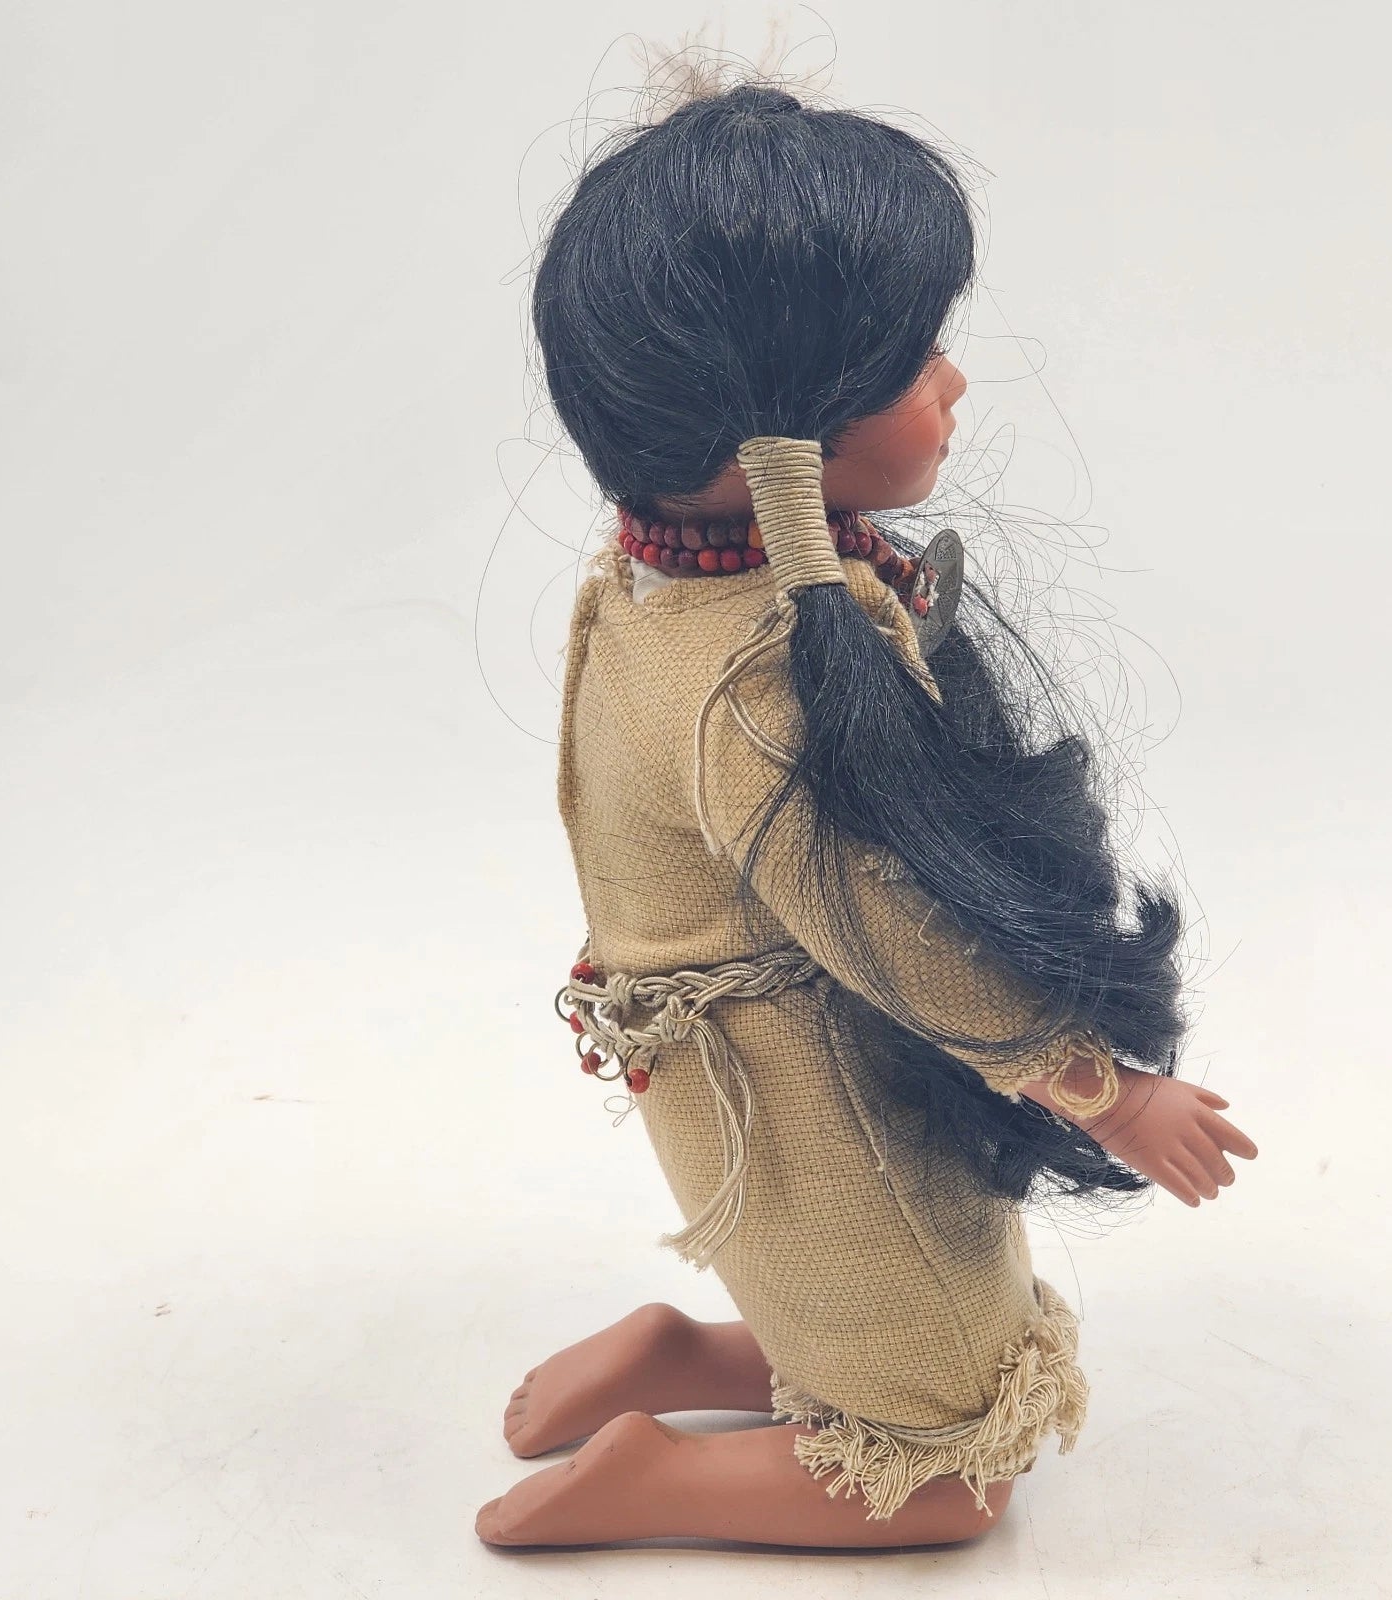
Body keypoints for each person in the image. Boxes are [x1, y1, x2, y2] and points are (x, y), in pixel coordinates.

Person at [477, 68, 1257, 1552]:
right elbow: (891, 932)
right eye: (907, 363)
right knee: (957, 1468)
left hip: (755, 1060)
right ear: (771, 449)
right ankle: (656, 1474)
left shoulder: (658, 591)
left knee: (904, 1289)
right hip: (809, 1078)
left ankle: (712, 1355)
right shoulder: (755, 681)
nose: (952, 385)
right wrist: (1104, 1089)